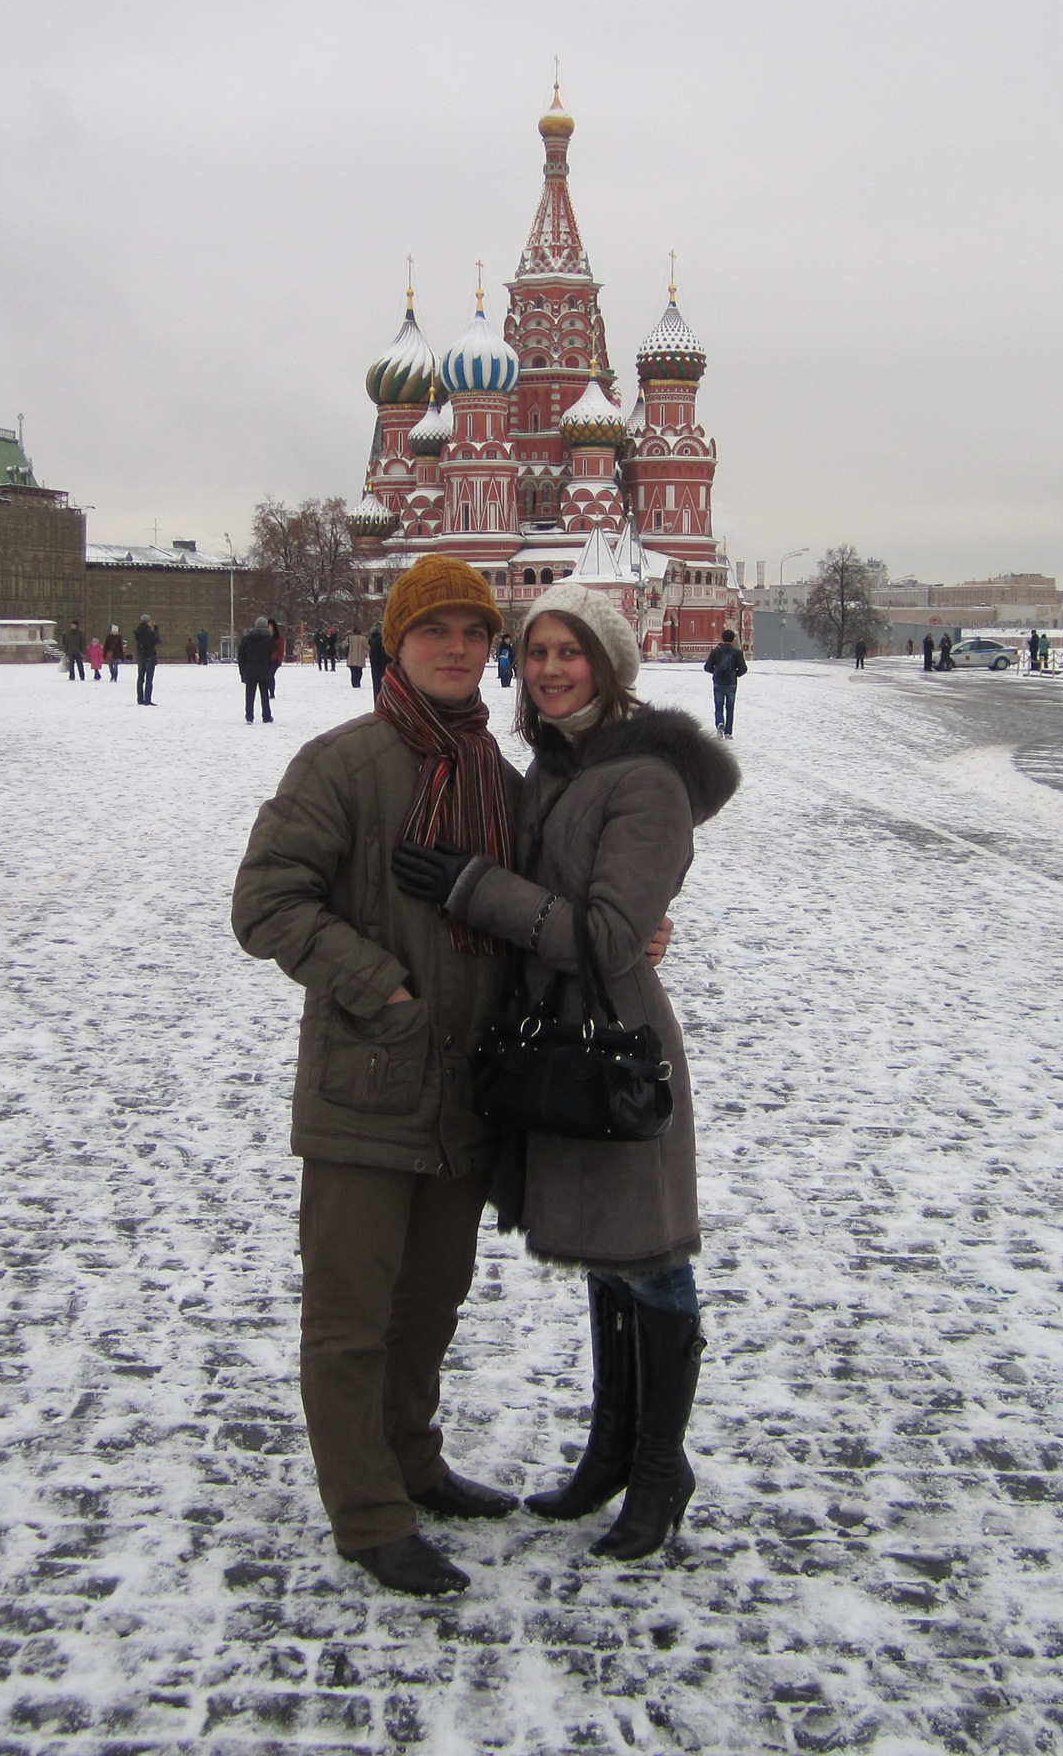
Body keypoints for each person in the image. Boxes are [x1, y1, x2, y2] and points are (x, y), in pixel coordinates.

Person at [415, 581, 739, 1562]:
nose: (551, 669)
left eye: (572, 652)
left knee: (652, 1254)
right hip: (561, 1033)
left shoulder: (644, 777)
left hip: (616, 1042)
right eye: (538, 652)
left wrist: (476, 889)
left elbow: (604, 935)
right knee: (609, 1251)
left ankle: (659, 1468)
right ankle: (609, 1452)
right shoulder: (558, 763)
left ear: (609, 664)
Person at [230, 555, 522, 1599]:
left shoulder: (500, 779)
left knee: (431, 1301)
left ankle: (412, 1460)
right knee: (351, 1315)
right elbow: (266, 902)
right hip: (367, 1082)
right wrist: (383, 989)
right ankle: (366, 1513)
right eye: (434, 629)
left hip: (465, 1094)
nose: (457, 648)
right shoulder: (343, 764)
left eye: (474, 631)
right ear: (396, 643)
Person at [703, 627, 748, 738]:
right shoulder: (737, 653)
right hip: (731, 683)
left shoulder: (715, 652)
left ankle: (719, 723)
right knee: (730, 708)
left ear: (722, 638)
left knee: (718, 706)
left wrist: (716, 672)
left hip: (718, 682)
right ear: (733, 639)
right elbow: (743, 669)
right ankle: (728, 732)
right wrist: (735, 674)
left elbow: (707, 667)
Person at [237, 617, 277, 724]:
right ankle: (266, 716)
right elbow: (274, 653)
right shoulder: (268, 639)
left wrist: (242, 672)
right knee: (264, 695)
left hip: (249, 670)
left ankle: (249, 717)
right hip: (264, 670)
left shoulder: (246, 639)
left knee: (249, 695)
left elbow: (241, 657)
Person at [134, 615, 161, 705]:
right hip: (149, 656)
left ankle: (140, 699)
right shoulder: (150, 632)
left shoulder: (137, 631)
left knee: (140, 678)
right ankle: (147, 699)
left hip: (141, 656)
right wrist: (155, 629)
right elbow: (157, 641)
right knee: (149, 680)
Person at [367, 624, 389, 705]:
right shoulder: (384, 640)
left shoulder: (373, 642)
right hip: (386, 667)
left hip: (376, 669)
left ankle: (378, 704)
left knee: (377, 687)